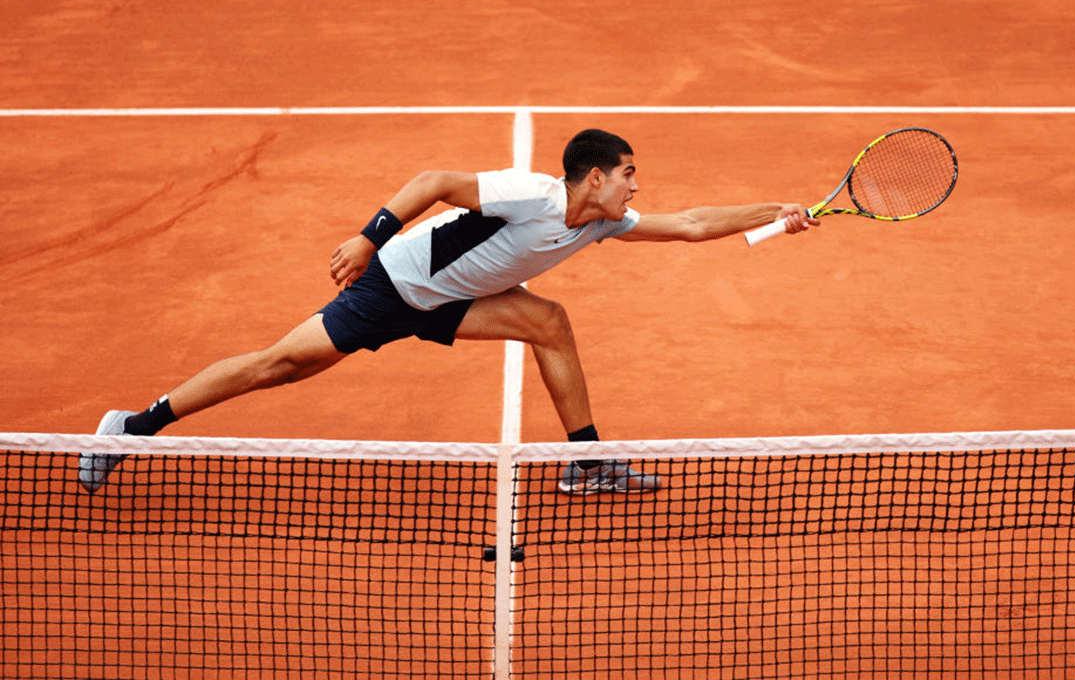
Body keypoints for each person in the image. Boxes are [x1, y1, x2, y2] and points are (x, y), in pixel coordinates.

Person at [79, 129, 817, 494]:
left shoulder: (600, 221)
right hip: (394, 287)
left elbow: (690, 224)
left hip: (452, 300)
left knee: (549, 322)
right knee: (282, 365)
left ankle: (586, 463)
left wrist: (778, 214)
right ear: (594, 176)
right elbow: (434, 179)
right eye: (628, 175)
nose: (635, 187)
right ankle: (134, 426)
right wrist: (368, 240)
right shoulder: (531, 194)